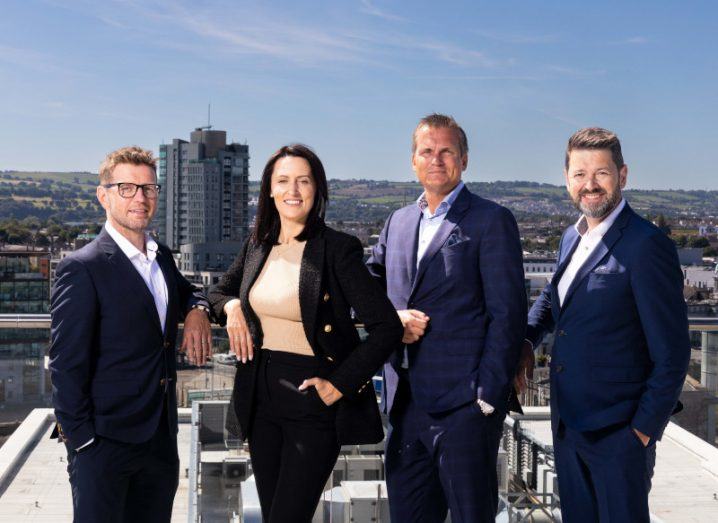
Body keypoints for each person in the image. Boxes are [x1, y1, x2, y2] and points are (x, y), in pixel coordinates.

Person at [208, 144, 403, 522]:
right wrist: (231, 307)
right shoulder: (258, 245)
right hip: (259, 399)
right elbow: (217, 291)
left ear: (317, 189)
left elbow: (386, 327)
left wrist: (339, 385)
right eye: (283, 180)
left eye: (303, 180)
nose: (292, 190)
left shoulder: (336, 249)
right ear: (269, 189)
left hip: (310, 402)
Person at [518, 128, 690, 522]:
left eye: (602, 173)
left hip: (619, 433)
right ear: (567, 179)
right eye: (579, 174)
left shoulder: (646, 245)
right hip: (569, 427)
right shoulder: (571, 237)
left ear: (623, 175)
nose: (590, 185)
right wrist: (527, 339)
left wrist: (641, 433)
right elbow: (554, 298)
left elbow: (673, 353)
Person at [366, 114, 527, 522]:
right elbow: (367, 287)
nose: (436, 159)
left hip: (464, 408)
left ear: (464, 160)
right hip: (404, 405)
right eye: (427, 151)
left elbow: (508, 314)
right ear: (413, 161)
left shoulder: (491, 220)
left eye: (446, 151)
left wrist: (486, 398)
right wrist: (391, 318)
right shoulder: (398, 221)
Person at [49, 146, 212, 523]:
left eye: (149, 188)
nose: (140, 197)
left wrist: (198, 310)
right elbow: (65, 364)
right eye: (127, 187)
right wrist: (83, 442)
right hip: (104, 445)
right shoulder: (82, 267)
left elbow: (190, 291)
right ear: (103, 196)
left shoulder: (162, 258)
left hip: (159, 442)